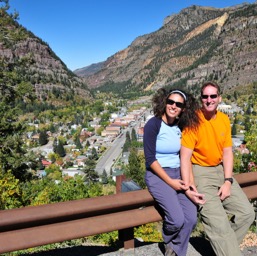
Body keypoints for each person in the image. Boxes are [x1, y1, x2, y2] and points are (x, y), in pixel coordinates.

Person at [180, 81, 255, 256]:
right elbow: (185, 157)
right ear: (201, 99)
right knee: (220, 226)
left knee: (247, 214)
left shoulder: (223, 119)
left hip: (220, 171)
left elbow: (228, 152)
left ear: (219, 98)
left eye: (213, 96)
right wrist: (189, 186)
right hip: (200, 172)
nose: (209, 99)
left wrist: (228, 181)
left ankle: (224, 248)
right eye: (205, 96)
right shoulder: (193, 121)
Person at [143, 88, 205, 256]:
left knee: (191, 219)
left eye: (179, 104)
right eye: (170, 102)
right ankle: (171, 244)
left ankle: (174, 248)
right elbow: (150, 159)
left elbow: (186, 157)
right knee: (176, 220)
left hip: (179, 173)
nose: (173, 106)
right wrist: (171, 182)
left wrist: (190, 184)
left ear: (184, 108)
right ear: (164, 102)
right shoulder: (153, 124)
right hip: (158, 175)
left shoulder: (181, 126)